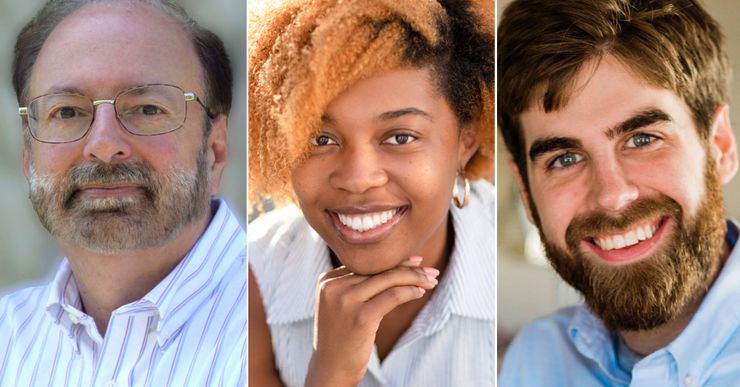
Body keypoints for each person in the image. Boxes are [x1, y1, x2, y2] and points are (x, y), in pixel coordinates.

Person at [247, 0, 495, 386]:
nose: (358, 178)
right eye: (320, 138)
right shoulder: (250, 274)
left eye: (400, 137)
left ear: (466, 140)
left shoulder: (513, 292)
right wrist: (332, 372)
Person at [0, 1, 245, 386]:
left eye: (147, 108)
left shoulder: (291, 333)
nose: (103, 145)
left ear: (214, 151)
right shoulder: (6, 340)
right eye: (66, 112)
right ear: (28, 156)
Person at [497, 0, 739, 385]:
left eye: (643, 139)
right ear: (526, 194)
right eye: (564, 159)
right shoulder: (535, 359)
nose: (612, 196)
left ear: (721, 147)